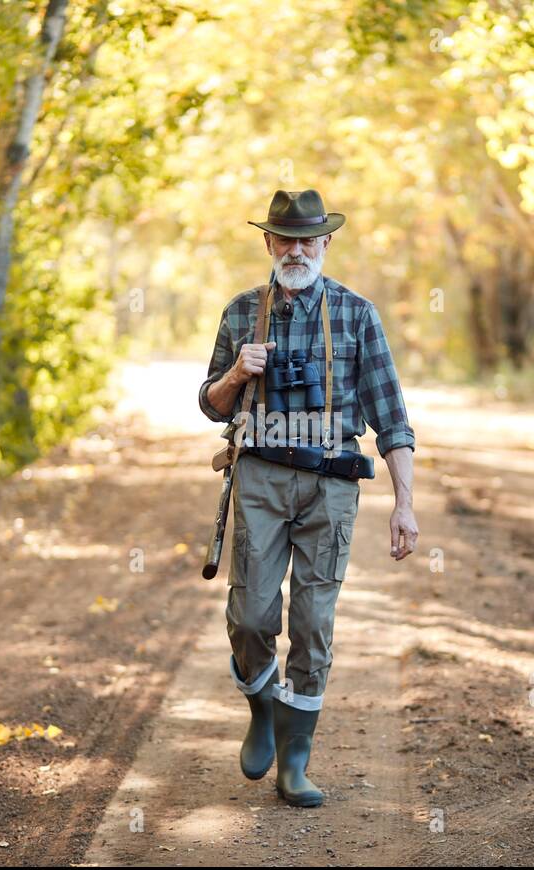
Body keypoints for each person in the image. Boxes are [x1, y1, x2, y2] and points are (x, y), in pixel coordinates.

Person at [197, 188, 418, 807]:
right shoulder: (241, 312)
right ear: (268, 243)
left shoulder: (357, 314)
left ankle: (295, 762)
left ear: (325, 244)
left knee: (314, 626)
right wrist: (239, 373)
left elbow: (393, 421)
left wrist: (405, 504)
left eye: (307, 239)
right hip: (261, 477)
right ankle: (262, 712)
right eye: (283, 238)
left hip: (332, 483)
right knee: (250, 616)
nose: (295, 250)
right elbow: (209, 403)